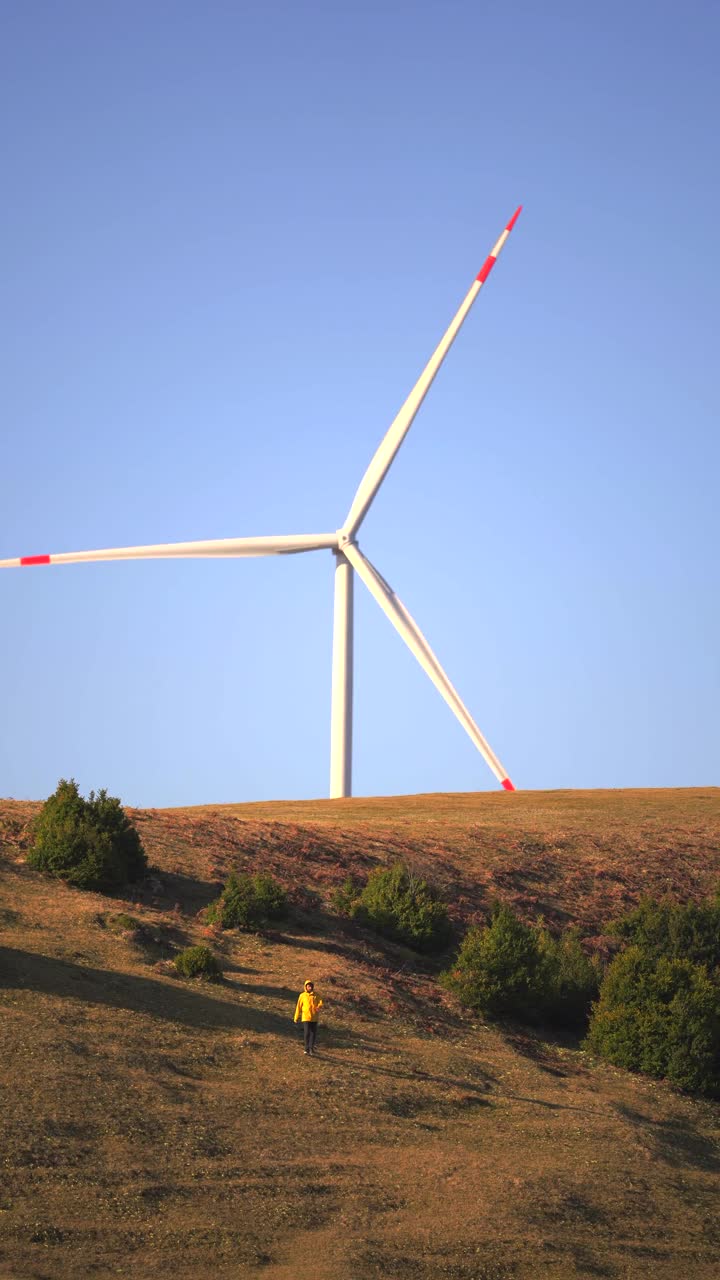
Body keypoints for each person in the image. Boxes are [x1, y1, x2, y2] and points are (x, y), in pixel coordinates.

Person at [293, 979, 323, 1056]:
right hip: (306, 1017)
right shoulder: (302, 995)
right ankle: (306, 1048)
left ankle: (311, 1048)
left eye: (311, 986)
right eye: (308, 986)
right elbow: (298, 1007)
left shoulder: (316, 995)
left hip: (314, 1017)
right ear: (305, 987)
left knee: (313, 1034)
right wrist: (296, 1017)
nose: (309, 987)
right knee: (307, 1033)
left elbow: (320, 1002)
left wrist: (319, 1006)